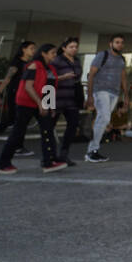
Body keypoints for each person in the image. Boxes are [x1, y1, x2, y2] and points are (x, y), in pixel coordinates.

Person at [0, 43, 67, 174]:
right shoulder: (34, 66)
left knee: (48, 130)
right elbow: (28, 87)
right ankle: (3, 163)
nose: (55, 55)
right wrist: (40, 104)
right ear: (44, 53)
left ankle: (49, 161)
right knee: (18, 132)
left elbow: (49, 88)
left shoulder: (51, 68)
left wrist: (50, 106)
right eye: (52, 53)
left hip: (41, 102)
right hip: (26, 103)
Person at [85, 34, 128, 163]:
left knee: (103, 119)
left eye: (121, 42)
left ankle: (93, 150)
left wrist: (126, 96)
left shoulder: (121, 60)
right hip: (101, 90)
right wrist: (90, 95)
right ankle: (92, 150)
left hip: (114, 93)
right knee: (104, 118)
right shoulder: (102, 56)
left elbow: (123, 78)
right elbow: (91, 75)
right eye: (117, 42)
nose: (119, 44)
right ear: (111, 44)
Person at [51, 37, 84, 166]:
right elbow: (49, 78)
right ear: (64, 48)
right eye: (71, 47)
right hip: (57, 97)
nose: (74, 49)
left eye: (76, 47)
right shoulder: (57, 60)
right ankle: (50, 155)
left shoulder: (77, 61)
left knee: (73, 125)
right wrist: (62, 77)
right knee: (49, 126)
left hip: (72, 98)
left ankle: (64, 154)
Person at [0, 40, 35, 136]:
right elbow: (8, 78)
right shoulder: (17, 62)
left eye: (34, 49)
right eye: (31, 48)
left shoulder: (29, 63)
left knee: (17, 118)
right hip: (15, 91)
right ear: (24, 49)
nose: (33, 51)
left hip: (25, 92)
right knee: (13, 118)